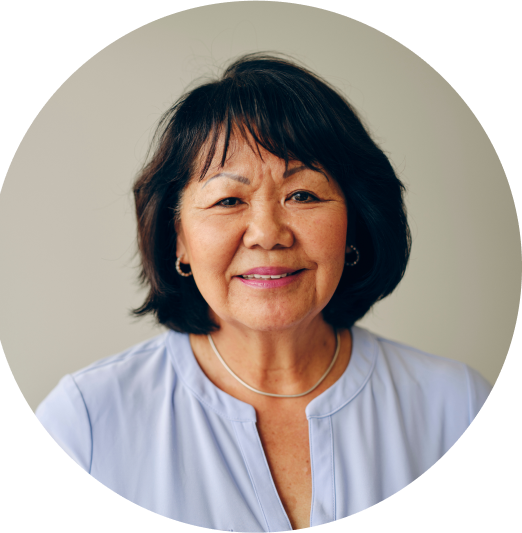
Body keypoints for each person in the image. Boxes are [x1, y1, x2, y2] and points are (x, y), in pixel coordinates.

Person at [35, 53, 492, 530]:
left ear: (354, 225)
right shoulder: (85, 422)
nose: (267, 233)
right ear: (180, 241)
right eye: (229, 200)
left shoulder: (455, 407)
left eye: (303, 195)